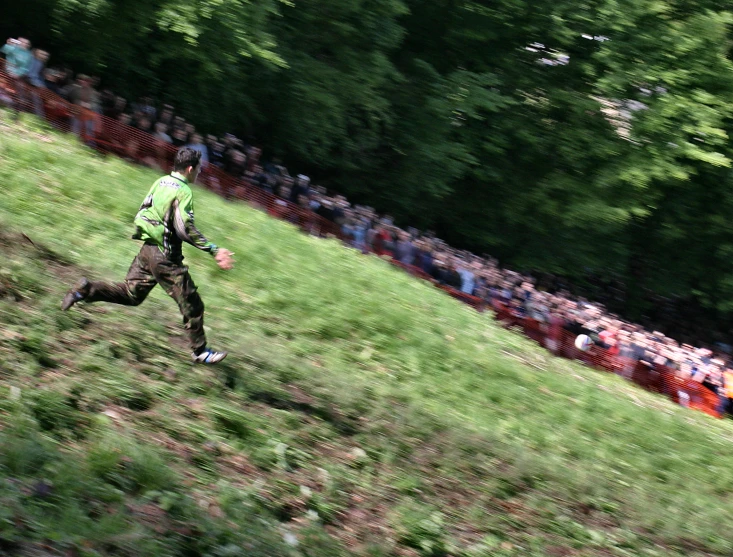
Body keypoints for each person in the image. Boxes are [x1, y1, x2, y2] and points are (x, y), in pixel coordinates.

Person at [61, 147, 235, 364]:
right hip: (166, 257)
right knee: (192, 304)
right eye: (199, 169)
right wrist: (213, 249)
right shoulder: (183, 191)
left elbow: (144, 209)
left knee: (131, 294)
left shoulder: (160, 181)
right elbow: (185, 228)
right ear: (190, 169)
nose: (199, 172)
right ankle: (200, 352)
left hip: (148, 250)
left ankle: (86, 290)